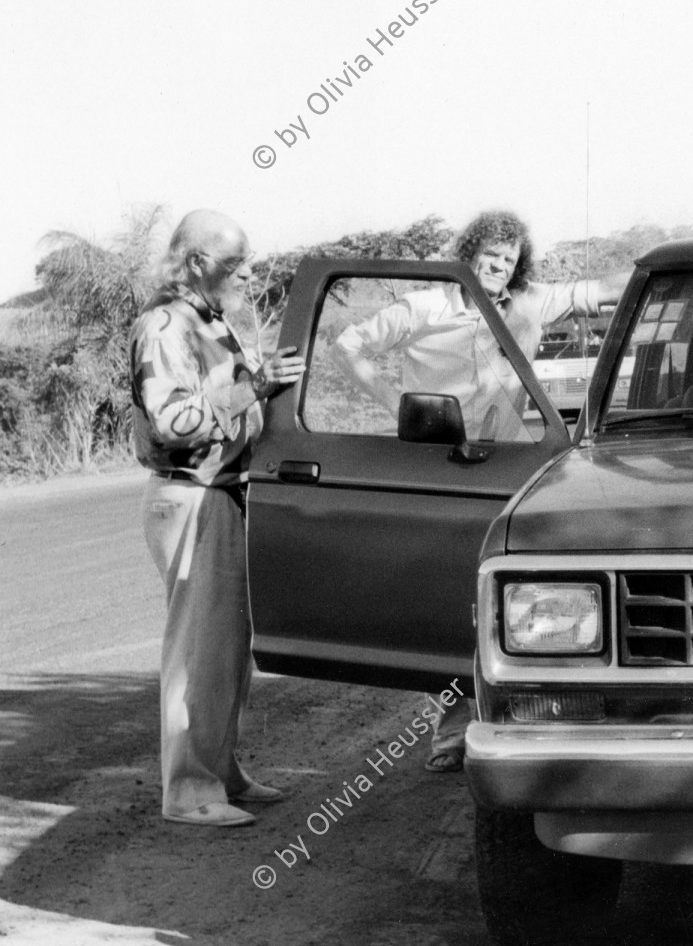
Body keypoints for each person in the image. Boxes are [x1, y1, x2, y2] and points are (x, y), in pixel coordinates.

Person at [334, 209, 627, 770]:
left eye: (508, 259)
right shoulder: (425, 307)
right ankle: (450, 734)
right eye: (489, 255)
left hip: (513, 464)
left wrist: (656, 267)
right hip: (442, 465)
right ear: (468, 252)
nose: (497, 266)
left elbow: (600, 292)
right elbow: (349, 344)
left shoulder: (531, 302)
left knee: (516, 596)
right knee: (450, 596)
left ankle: (530, 725)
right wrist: (397, 409)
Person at [131, 209, 307, 827]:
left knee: (228, 651)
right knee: (198, 650)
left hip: (222, 493)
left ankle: (220, 772)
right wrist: (253, 387)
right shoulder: (163, 325)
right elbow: (171, 422)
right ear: (198, 261)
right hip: (191, 494)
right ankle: (188, 790)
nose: (247, 272)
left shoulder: (208, 318)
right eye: (237, 263)